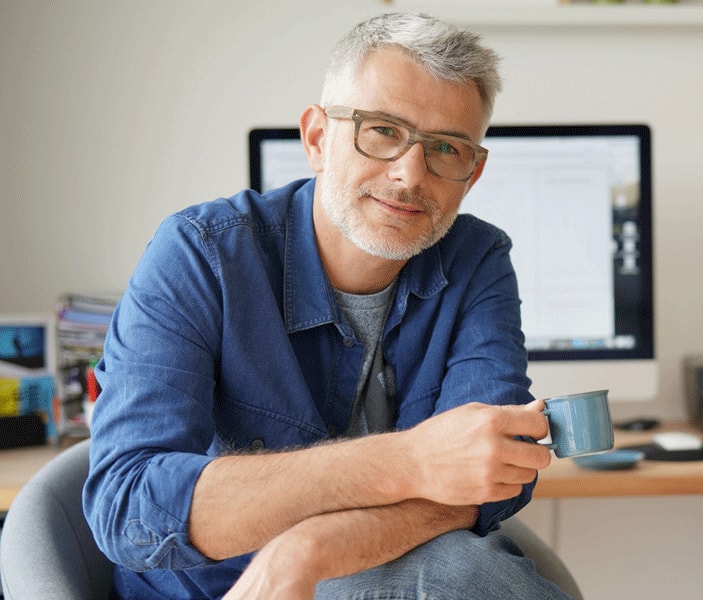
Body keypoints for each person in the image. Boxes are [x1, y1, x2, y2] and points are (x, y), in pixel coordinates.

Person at [83, 12, 572, 600]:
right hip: (224, 590)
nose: (410, 174)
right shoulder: (200, 254)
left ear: (472, 173)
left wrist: (308, 549)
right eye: (383, 130)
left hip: (390, 574)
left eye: (446, 147)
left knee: (461, 572)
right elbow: (129, 505)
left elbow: (488, 475)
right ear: (317, 137)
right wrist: (412, 461)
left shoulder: (476, 258)